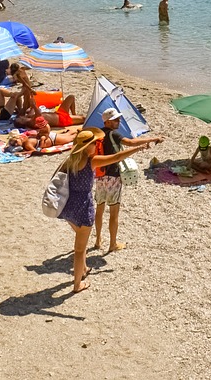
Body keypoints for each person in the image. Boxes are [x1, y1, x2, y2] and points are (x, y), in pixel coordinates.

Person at [57, 129, 146, 293]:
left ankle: (83, 269)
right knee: (79, 249)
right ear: (87, 147)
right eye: (94, 143)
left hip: (68, 206)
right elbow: (117, 157)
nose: (96, 146)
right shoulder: (91, 161)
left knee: (79, 240)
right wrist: (138, 148)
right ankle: (77, 284)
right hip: (83, 206)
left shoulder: (69, 161)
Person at [94, 107, 163, 253]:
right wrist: (152, 139)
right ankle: (112, 244)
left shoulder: (98, 134)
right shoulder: (114, 134)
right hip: (113, 176)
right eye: (116, 120)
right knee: (114, 212)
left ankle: (98, 240)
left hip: (100, 175)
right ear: (108, 122)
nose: (119, 121)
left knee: (99, 209)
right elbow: (131, 143)